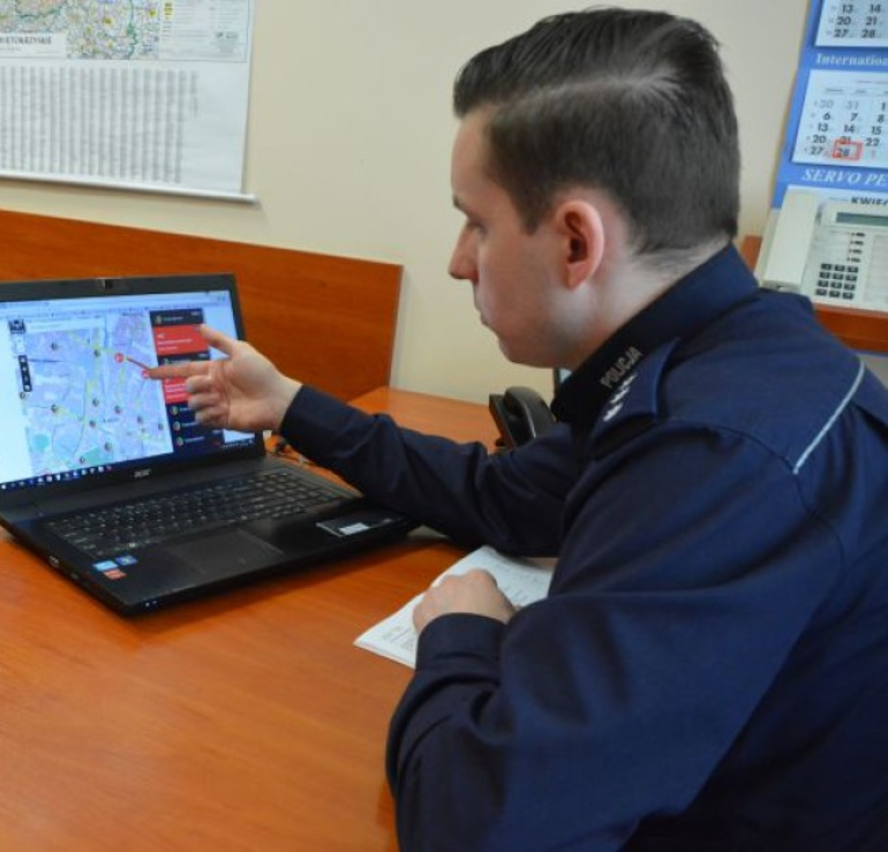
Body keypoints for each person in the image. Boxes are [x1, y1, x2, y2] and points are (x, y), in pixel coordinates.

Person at [147, 8, 888, 851]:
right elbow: (502, 496)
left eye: (477, 222)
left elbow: (476, 827)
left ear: (576, 242)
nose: (458, 260)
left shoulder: (718, 458)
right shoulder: (720, 356)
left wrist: (461, 634)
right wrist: (291, 406)